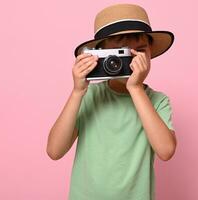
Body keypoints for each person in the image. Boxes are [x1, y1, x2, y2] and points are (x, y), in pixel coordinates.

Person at [46, 3, 177, 200]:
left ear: (151, 52)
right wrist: (77, 92)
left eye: (139, 51)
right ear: (101, 55)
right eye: (119, 53)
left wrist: (135, 88)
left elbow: (166, 151)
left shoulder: (157, 101)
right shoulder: (89, 96)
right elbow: (54, 151)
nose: (130, 62)